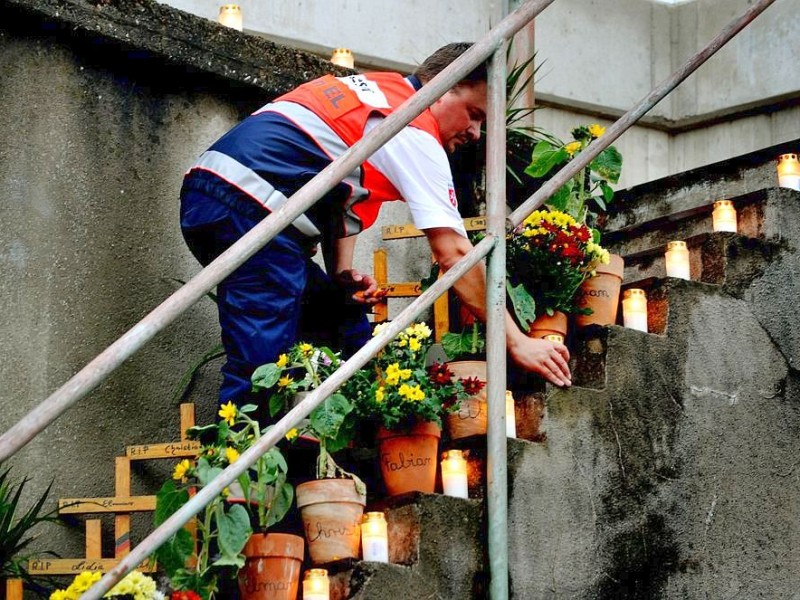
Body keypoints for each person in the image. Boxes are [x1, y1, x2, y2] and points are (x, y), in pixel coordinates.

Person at [179, 42, 571, 408]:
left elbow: (342, 199)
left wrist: (342, 276)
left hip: (222, 196)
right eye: (475, 114)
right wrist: (516, 342)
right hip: (252, 206)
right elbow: (454, 253)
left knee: (339, 321)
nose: (475, 133)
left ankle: (330, 453)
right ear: (443, 87)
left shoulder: (378, 94)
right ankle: (240, 475)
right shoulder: (412, 126)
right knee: (261, 357)